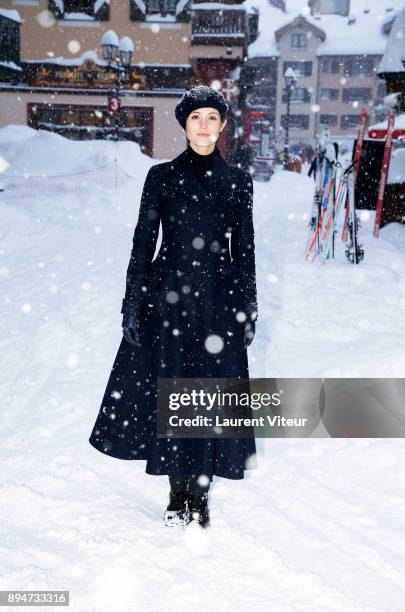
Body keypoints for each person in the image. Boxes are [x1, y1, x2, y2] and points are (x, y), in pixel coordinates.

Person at [88, 85, 258, 529]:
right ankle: (176, 492)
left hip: (220, 302)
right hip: (169, 299)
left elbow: (245, 249)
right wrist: (131, 302)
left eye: (212, 118)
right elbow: (143, 244)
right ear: (184, 124)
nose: (204, 126)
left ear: (223, 126)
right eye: (196, 117)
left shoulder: (238, 182)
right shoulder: (160, 177)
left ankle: (197, 497)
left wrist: (250, 306)